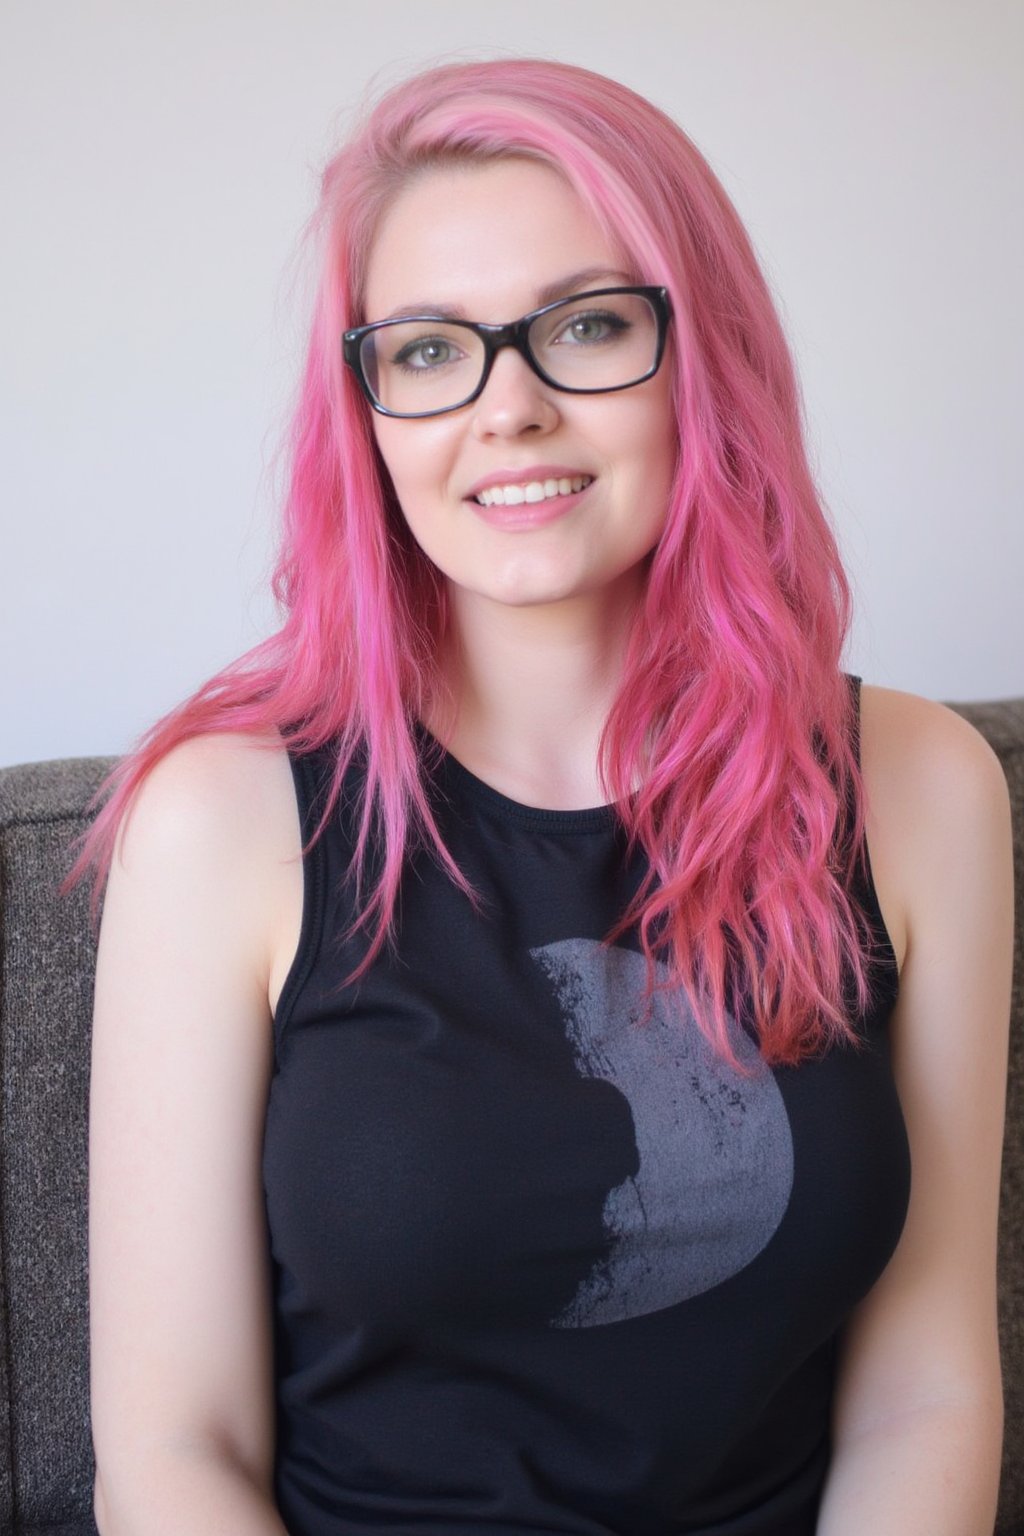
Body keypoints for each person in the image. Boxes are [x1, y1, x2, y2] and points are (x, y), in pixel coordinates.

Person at [66, 56, 1013, 1536]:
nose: (506, 409)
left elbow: (928, 1393)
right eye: (432, 351)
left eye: (585, 325)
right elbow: (175, 1451)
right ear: (368, 409)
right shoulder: (223, 824)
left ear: (706, 359)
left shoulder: (924, 790)